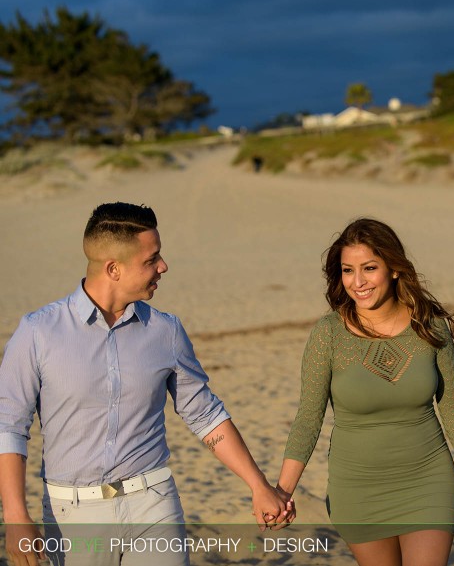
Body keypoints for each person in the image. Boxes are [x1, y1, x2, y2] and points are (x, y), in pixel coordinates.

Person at [0, 202, 294, 566]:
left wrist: (258, 485)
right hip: (72, 517)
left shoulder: (166, 331)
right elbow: (10, 426)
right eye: (151, 259)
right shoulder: (38, 332)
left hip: (153, 502)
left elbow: (204, 414)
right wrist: (16, 516)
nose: (163, 266)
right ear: (113, 269)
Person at [277, 217, 454, 566]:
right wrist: (283, 491)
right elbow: (308, 418)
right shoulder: (328, 334)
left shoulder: (430, 327)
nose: (357, 282)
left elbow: (452, 405)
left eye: (369, 268)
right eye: (348, 270)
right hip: (358, 488)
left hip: (428, 479)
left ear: (393, 269)